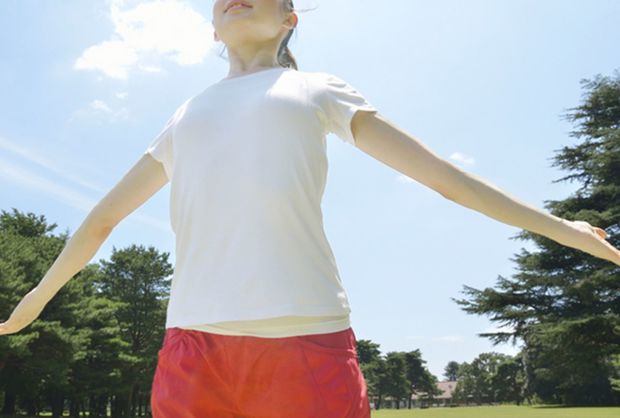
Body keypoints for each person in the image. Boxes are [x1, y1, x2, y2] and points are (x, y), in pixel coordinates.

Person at [1, 0, 619, 417]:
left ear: (288, 20)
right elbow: (103, 218)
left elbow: (445, 179)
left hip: (303, 338)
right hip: (193, 345)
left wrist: (563, 228)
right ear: (212, 28)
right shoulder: (183, 116)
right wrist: (38, 295)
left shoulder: (316, 89)